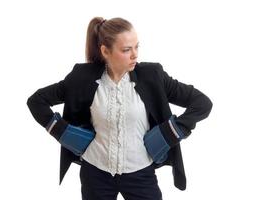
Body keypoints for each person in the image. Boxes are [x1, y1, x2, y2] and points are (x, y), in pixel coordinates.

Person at [27, 17, 212, 200]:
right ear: (105, 51)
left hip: (140, 173)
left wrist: (172, 130)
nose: (135, 55)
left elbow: (201, 103)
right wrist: (63, 132)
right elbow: (37, 101)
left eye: (137, 47)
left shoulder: (153, 76)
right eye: (126, 50)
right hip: (95, 173)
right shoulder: (81, 78)